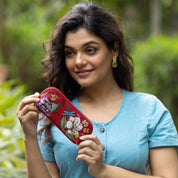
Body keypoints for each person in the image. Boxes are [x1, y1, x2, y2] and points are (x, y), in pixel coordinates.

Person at [16, 3, 178, 178]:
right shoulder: (56, 113)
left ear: (114, 49)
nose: (78, 61)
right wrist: (30, 136)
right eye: (70, 53)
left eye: (90, 50)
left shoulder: (150, 110)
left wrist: (104, 171)